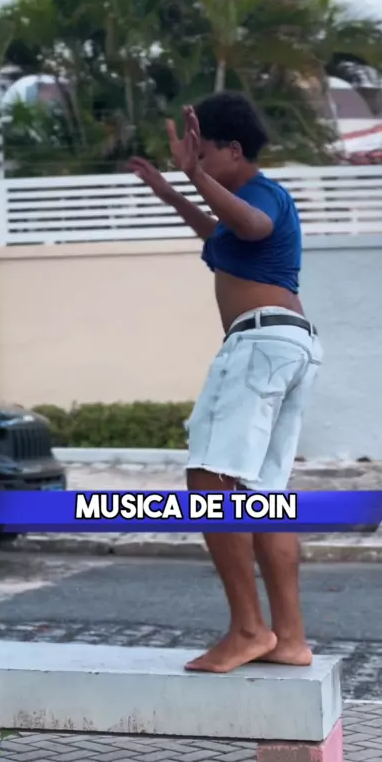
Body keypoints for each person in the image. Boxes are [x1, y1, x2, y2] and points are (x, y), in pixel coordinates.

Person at [128, 92, 323, 674]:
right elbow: (219, 235)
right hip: (288, 345)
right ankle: (290, 638)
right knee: (266, 497)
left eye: (205, 153)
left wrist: (193, 177)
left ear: (233, 150)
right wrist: (171, 192)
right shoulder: (240, 206)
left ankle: (248, 630)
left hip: (259, 345)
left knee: (209, 478)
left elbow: (251, 224)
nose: (200, 164)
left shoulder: (262, 195)